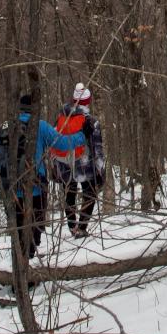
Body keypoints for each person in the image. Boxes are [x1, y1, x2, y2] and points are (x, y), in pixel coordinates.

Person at [0, 93, 84, 259]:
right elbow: (64, 144)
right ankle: (28, 266)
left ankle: (21, 268)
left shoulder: (5, 128)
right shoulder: (40, 126)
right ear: (34, 109)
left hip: (11, 192)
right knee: (34, 233)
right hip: (36, 189)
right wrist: (82, 135)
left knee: (19, 233)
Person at [50, 82, 106, 238]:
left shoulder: (61, 118)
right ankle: (81, 228)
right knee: (90, 192)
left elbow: (54, 142)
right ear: (87, 102)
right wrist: (101, 170)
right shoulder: (91, 122)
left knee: (69, 195)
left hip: (64, 164)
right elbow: (98, 149)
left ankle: (72, 226)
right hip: (85, 165)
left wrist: (55, 166)